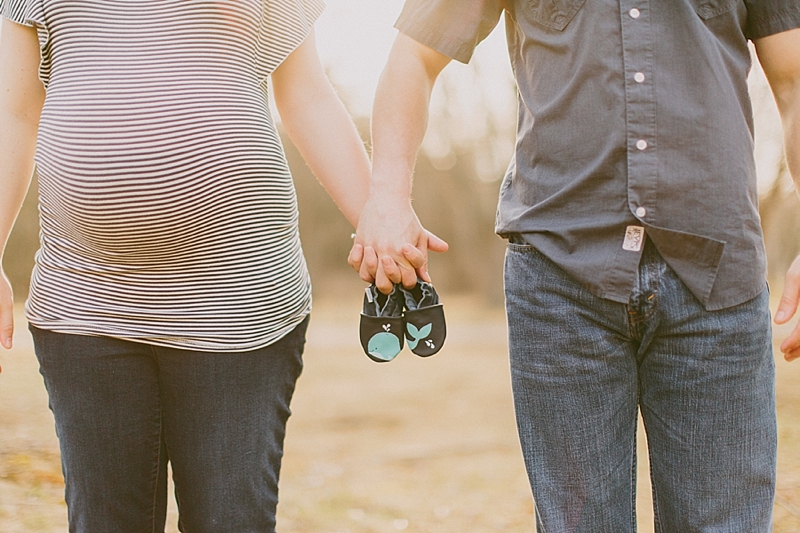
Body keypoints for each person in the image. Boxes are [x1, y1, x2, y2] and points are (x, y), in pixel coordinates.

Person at [349, 1, 800, 531]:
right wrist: (387, 197)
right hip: (558, 280)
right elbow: (413, 57)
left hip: (717, 276)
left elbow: (793, 80)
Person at [0, 0, 412, 530]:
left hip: (240, 302)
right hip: (87, 297)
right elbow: (15, 110)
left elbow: (304, 93)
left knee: (230, 521)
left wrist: (377, 217)